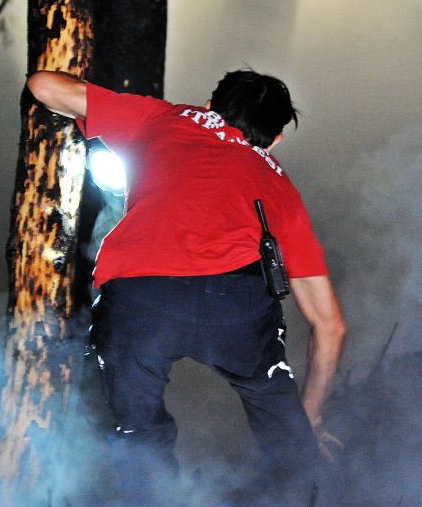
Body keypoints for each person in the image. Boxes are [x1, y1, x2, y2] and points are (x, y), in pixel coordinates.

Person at [26, 69, 346, 504]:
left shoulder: (166, 118)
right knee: (291, 449)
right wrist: (309, 417)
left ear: (212, 107)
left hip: (141, 301)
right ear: (274, 140)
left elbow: (43, 86)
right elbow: (329, 325)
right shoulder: (278, 181)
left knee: (138, 438)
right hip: (237, 308)